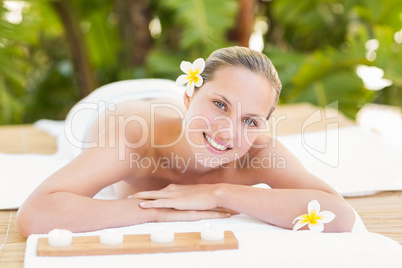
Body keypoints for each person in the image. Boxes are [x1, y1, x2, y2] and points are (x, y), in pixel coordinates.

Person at [16, 46, 355, 237]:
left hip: (183, 110)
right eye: (220, 104)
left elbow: (340, 215)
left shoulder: (258, 151)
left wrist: (218, 193)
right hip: (108, 105)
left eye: (250, 120)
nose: (226, 132)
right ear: (190, 96)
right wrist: (157, 212)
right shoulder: (134, 139)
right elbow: (35, 215)